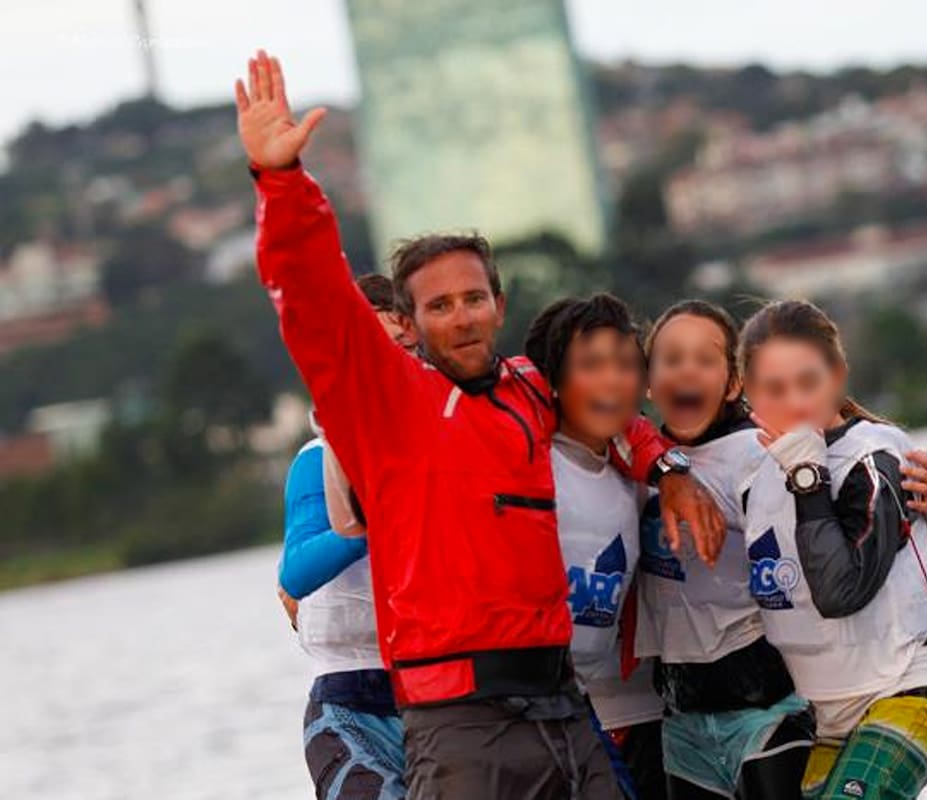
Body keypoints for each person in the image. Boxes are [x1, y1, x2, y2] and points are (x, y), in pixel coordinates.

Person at [236, 50, 724, 799]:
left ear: (499, 305)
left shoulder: (531, 389)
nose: (461, 316)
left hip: (562, 704)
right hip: (458, 723)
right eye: (439, 305)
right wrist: (281, 181)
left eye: (473, 298)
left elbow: (610, 407)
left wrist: (669, 468)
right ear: (408, 323)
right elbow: (313, 296)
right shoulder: (385, 403)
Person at [737, 300, 927, 800]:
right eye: (774, 389)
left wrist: (808, 478)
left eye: (808, 382)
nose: (795, 402)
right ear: (748, 393)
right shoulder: (755, 478)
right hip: (829, 717)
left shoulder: (871, 458)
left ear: (838, 374)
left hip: (905, 691)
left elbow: (841, 590)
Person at [637, 301, 816, 800]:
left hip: (766, 704)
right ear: (649, 383)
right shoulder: (638, 461)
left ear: (734, 383)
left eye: (704, 359)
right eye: (671, 359)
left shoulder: (754, 454)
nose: (686, 370)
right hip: (682, 716)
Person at [524, 295, 669, 800]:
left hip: (593, 707)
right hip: (514, 712)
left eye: (626, 365)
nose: (613, 381)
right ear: (553, 381)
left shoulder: (641, 481)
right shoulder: (526, 463)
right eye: (591, 365)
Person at [277, 274, 408, 800]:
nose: (382, 365)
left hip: (442, 702)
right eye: (366, 351)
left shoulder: (447, 444)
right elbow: (296, 573)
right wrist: (369, 521)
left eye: (398, 349)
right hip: (349, 704)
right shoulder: (318, 458)